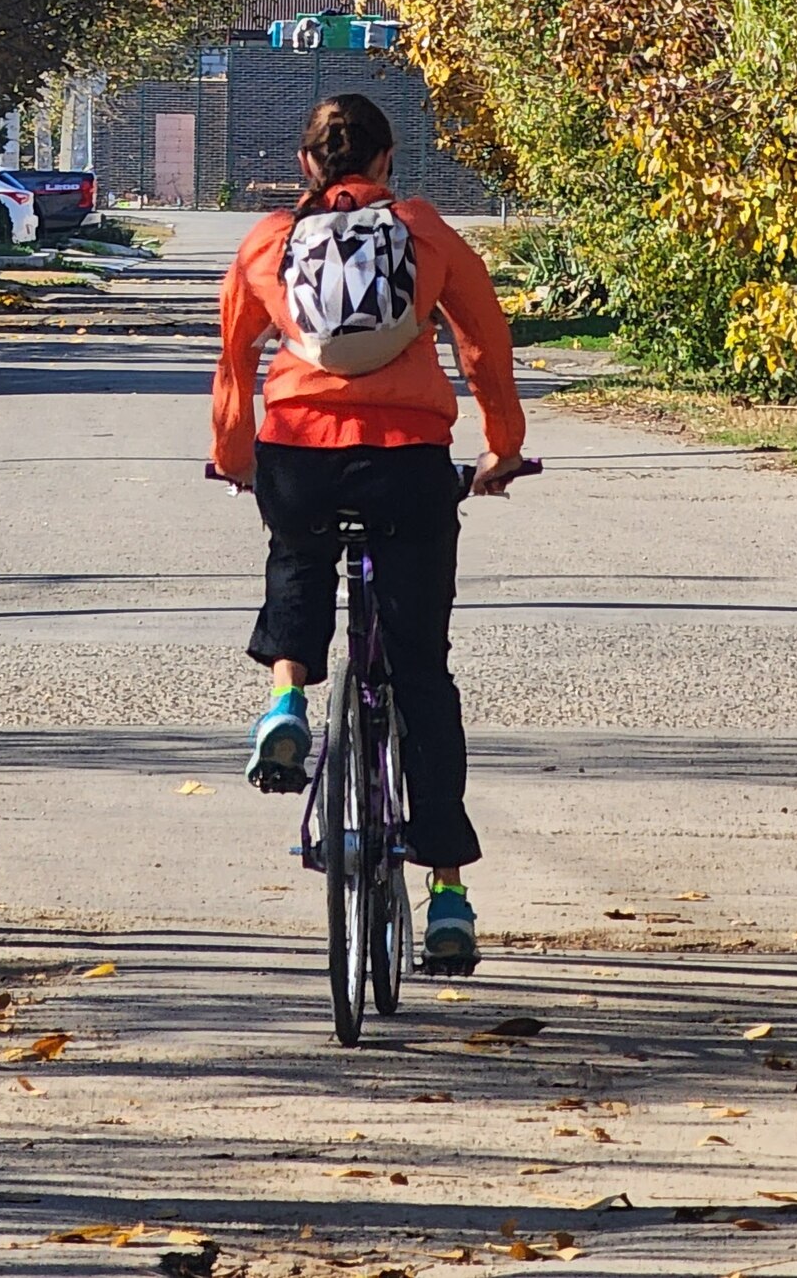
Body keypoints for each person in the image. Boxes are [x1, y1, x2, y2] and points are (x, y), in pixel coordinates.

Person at [212, 91, 527, 976]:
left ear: (307, 165)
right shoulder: (422, 229)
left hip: (299, 457)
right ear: (388, 164)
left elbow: (236, 360)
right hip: (408, 465)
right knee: (421, 673)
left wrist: (238, 456)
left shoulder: (269, 241)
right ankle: (451, 894)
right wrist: (502, 447)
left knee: (298, 551)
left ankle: (285, 701)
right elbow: (483, 344)